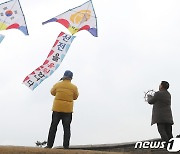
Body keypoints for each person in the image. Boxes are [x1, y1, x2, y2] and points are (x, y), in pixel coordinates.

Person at [45, 70, 79, 149]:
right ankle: (66, 146)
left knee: (53, 127)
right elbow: (75, 97)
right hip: (67, 110)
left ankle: (49, 145)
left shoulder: (57, 84)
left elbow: (52, 92)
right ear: (71, 78)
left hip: (57, 108)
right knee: (66, 128)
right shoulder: (74, 87)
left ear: (64, 76)